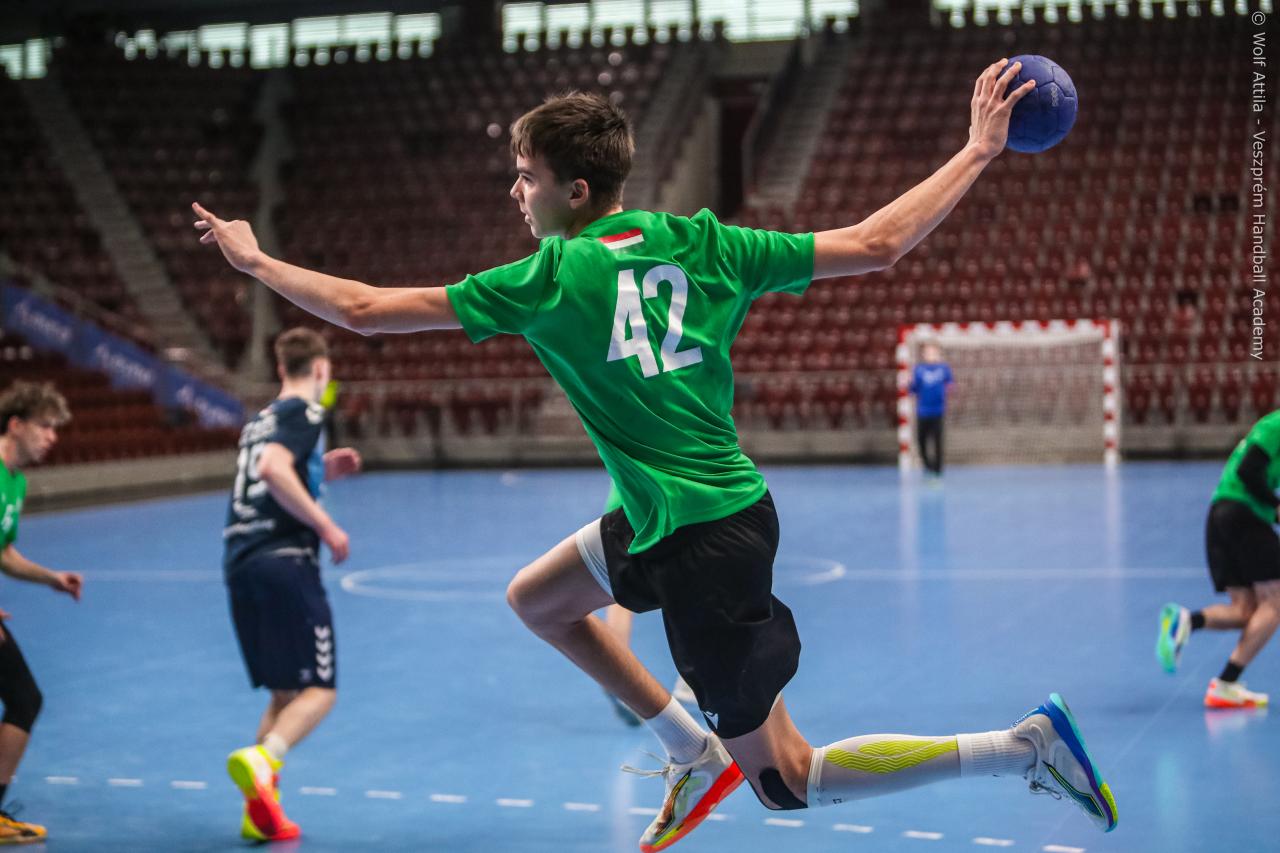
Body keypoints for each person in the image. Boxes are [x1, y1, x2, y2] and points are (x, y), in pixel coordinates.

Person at [193, 58, 1117, 851]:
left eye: (526, 176)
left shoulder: (551, 277)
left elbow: (363, 311)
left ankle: (1023, 746)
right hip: (669, 516)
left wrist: (258, 263)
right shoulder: (708, 244)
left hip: (705, 542)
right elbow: (878, 244)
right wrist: (976, 150)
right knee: (539, 599)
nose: (516, 191)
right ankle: (687, 747)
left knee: (786, 777)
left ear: (575, 192)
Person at [221, 328, 362, 841]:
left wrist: (319, 471)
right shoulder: (305, 412)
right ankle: (264, 759)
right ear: (320, 369)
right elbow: (273, 468)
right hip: (285, 560)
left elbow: (269, 472)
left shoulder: (259, 420)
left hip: (240, 561)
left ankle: (259, 814)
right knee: (319, 690)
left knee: (284, 694)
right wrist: (326, 525)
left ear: (281, 368)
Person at [0, 381, 82, 845]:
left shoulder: (15, 481)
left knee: (24, 698)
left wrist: (50, 578)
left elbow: (3, 553)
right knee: (24, 697)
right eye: (45, 427)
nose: (52, 437)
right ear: (16, 425)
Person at [1157, 410, 1280, 708]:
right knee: (1275, 602)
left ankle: (1187, 621)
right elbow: (1248, 471)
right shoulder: (1276, 425)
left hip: (1222, 516)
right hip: (1243, 514)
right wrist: (1276, 506)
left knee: (1246, 610)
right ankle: (1226, 683)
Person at [910, 342, 954, 476]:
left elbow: (950, 383)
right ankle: (927, 465)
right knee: (921, 440)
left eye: (933, 352)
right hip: (923, 411)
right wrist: (909, 385)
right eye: (928, 352)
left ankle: (938, 469)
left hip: (938, 411)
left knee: (937, 441)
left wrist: (948, 389)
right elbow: (913, 389)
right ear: (923, 354)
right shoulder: (919, 370)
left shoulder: (943, 368)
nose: (931, 355)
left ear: (938, 354)